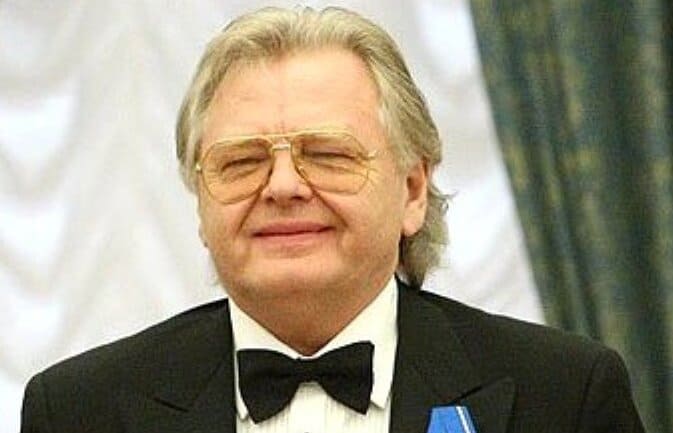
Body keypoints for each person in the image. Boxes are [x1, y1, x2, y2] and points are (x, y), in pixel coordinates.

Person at [21, 6, 645, 433]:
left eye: (328, 154)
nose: (283, 186)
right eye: (242, 161)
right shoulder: (78, 412)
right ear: (201, 203)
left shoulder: (563, 396)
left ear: (413, 190)